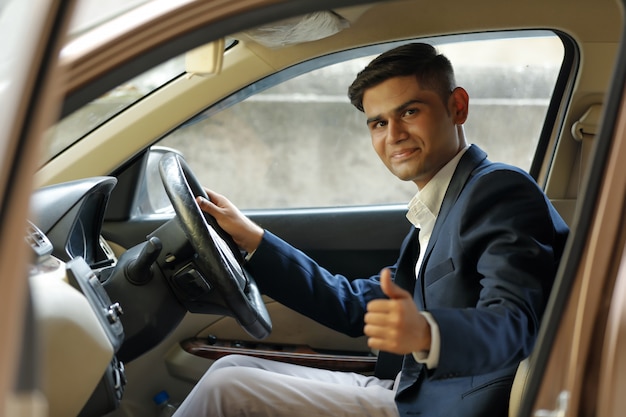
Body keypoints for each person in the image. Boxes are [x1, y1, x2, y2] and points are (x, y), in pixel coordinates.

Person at [172, 42, 569, 417]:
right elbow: (356, 307)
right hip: (408, 389)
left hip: (444, 406)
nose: (393, 134)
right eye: (378, 122)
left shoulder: (498, 191)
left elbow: (514, 324)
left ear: (457, 106)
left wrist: (427, 334)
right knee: (231, 368)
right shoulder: (442, 205)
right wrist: (255, 242)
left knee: (228, 388)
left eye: (410, 112)